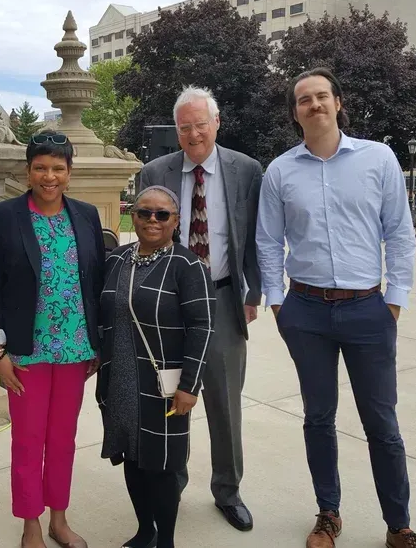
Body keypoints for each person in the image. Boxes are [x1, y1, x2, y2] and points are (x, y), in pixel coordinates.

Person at [255, 68, 416, 548]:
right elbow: (268, 241)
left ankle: (398, 525)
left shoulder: (378, 158)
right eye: (303, 100)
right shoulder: (280, 171)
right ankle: (328, 514)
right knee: (318, 418)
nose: (314, 105)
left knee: (382, 424)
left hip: (368, 309)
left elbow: (399, 232)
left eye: (321, 96)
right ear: (295, 113)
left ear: (338, 102)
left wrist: (395, 300)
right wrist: (277, 303)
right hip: (305, 311)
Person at [138, 85, 263, 531]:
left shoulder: (246, 170)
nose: (193, 134)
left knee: (225, 402)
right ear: (176, 130)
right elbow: (146, 235)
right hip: (170, 302)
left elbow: (256, 236)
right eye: (184, 127)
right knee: (171, 396)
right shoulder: (155, 171)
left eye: (200, 125)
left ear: (217, 123)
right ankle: (171, 482)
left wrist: (253, 292)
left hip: (224, 299)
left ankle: (228, 490)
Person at [0, 131, 105, 548]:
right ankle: (30, 524)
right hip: (25, 352)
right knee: (28, 440)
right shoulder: (2, 216)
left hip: (74, 349)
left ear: (69, 172)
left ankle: (59, 519)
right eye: (40, 168)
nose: (49, 177)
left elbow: (97, 282)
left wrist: (97, 343)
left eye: (58, 168)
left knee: (63, 440)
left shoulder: (86, 215)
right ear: (28, 171)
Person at [97, 186, 215, 548]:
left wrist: (190, 386)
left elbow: (203, 327)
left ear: (176, 221)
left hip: (163, 384)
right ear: (132, 216)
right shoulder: (118, 259)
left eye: (162, 214)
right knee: (132, 457)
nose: (153, 220)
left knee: (162, 465)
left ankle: (165, 540)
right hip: (120, 379)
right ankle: (145, 531)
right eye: (144, 212)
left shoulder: (187, 266)